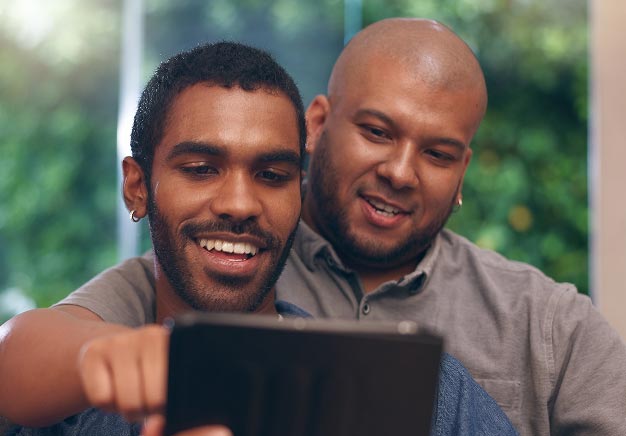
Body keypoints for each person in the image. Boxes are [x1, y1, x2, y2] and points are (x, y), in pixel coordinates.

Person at [36, 18, 626, 435]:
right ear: (317, 127)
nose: (399, 171)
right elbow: (25, 353)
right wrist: (112, 362)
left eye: (438, 154)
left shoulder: (531, 332)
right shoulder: (187, 280)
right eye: (376, 131)